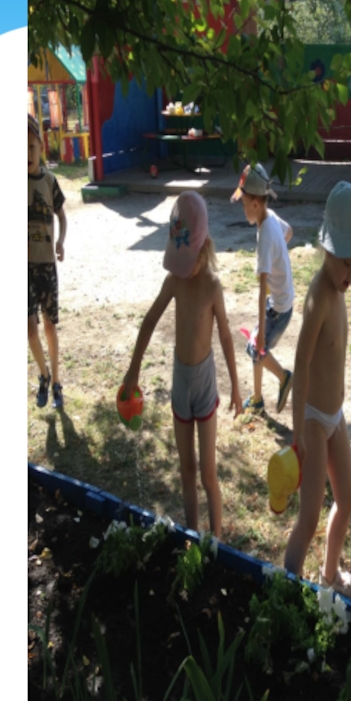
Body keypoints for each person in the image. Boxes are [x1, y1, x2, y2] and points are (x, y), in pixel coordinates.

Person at [122, 191, 241, 536]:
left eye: (189, 261)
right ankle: (192, 537)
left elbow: (226, 337)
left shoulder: (212, 286)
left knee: (207, 474)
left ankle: (216, 542)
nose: (185, 269)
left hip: (204, 383)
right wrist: (133, 370)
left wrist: (235, 386)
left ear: (204, 248)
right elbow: (149, 321)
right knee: (186, 470)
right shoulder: (174, 280)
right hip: (180, 381)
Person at [284, 182, 351, 600]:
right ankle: (287, 589)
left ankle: (330, 574)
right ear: (326, 251)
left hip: (335, 415)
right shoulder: (319, 294)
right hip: (314, 421)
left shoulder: (339, 288)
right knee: (309, 516)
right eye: (346, 263)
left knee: (347, 496)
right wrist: (298, 430)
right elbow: (300, 364)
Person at [231, 163, 295, 415]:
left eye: (244, 203)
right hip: (282, 301)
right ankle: (257, 399)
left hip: (278, 309)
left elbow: (261, 291)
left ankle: (284, 377)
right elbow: (290, 232)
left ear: (256, 203)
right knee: (256, 341)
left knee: (255, 347)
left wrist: (259, 337)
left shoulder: (265, 235)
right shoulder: (272, 218)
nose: (243, 209)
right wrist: (279, 258)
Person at [28, 114, 67, 410]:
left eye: (30, 146)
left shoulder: (50, 181)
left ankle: (56, 382)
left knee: (50, 327)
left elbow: (61, 216)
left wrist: (60, 241)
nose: (26, 154)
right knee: (29, 329)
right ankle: (43, 375)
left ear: (41, 146)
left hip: (47, 267)